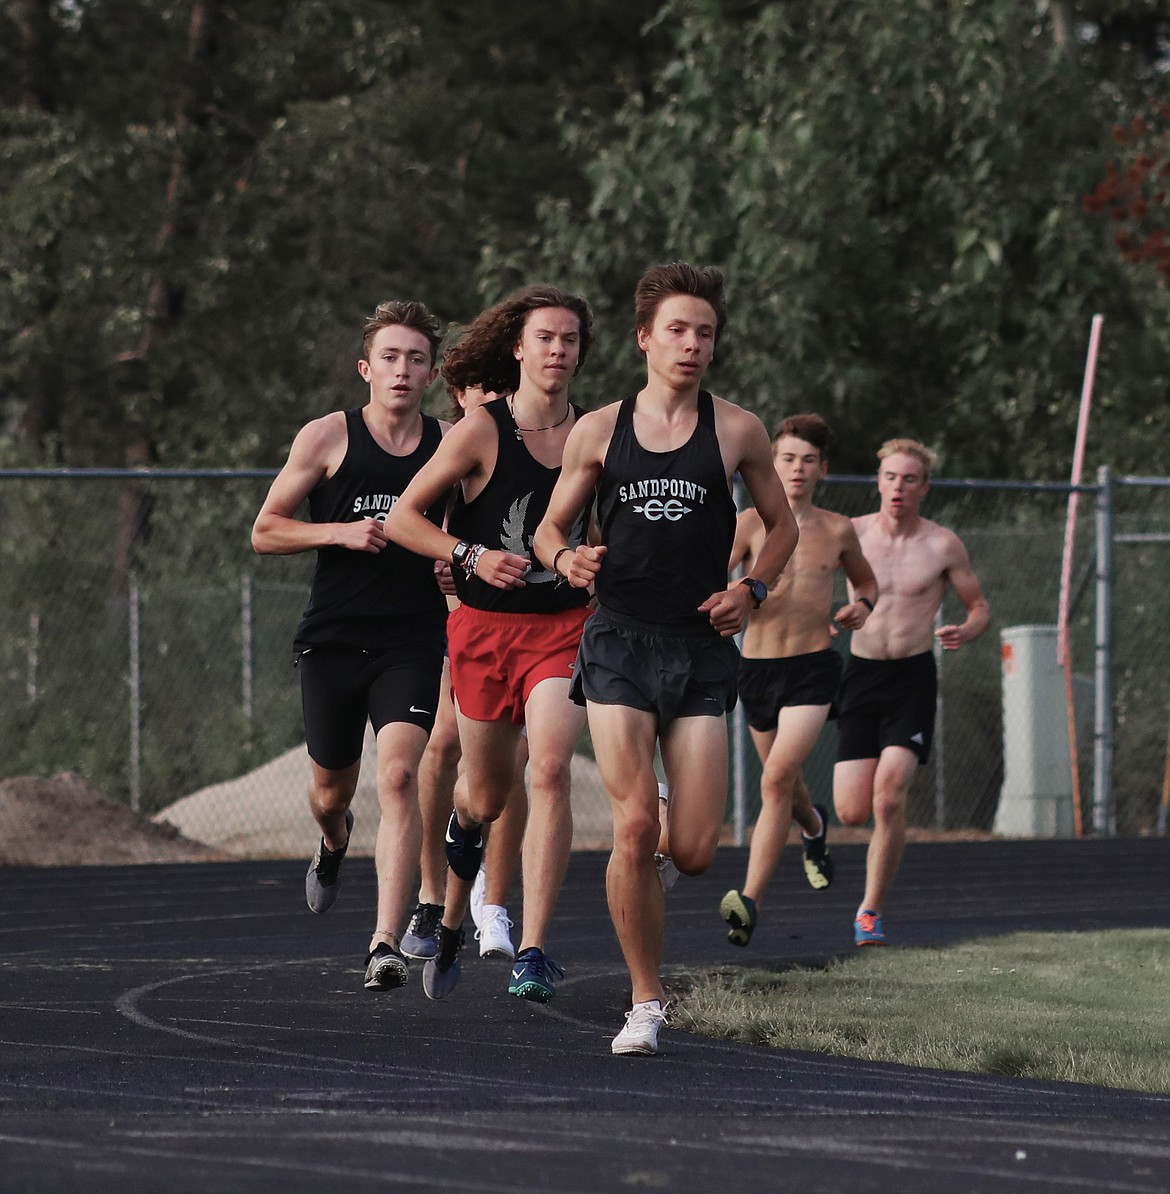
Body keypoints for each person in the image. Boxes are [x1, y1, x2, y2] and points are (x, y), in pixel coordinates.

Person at [534, 261, 799, 1056]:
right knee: (633, 827)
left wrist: (750, 590)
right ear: (645, 338)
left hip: (698, 648)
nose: (691, 345)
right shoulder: (598, 430)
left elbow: (781, 527)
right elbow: (551, 529)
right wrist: (564, 563)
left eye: (705, 333)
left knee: (690, 848)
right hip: (617, 641)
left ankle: (652, 817)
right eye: (677, 330)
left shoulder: (738, 430)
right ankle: (645, 1001)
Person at [384, 285, 594, 1003]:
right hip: (483, 632)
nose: (558, 351)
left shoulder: (599, 432)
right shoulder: (480, 429)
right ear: (518, 347)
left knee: (553, 768)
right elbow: (406, 518)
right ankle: (448, 915)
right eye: (545, 338)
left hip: (563, 628)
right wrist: (470, 556)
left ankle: (532, 949)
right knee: (484, 796)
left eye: (569, 340)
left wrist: (598, 558)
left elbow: (617, 525)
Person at [250, 299, 449, 992]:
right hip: (334, 637)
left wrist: (455, 563)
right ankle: (334, 841)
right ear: (367, 368)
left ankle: (383, 941)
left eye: (415, 359)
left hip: (414, 638)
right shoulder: (328, 437)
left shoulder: (449, 443)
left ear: (431, 373)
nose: (402, 369)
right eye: (390, 357)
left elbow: (463, 533)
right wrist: (338, 532)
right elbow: (265, 529)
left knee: (399, 776)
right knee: (329, 793)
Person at [719, 414, 878, 947]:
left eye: (808, 461)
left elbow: (866, 584)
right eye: (787, 458)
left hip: (813, 667)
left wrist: (862, 607)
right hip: (756, 669)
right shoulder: (746, 523)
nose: (796, 469)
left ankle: (749, 900)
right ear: (771, 463)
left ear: (822, 470)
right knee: (784, 786)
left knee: (774, 779)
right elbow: (719, 577)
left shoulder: (837, 528)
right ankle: (813, 828)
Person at [834, 437, 990, 946]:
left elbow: (979, 607)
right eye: (890, 477)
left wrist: (967, 630)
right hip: (860, 674)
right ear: (877, 482)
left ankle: (870, 911)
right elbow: (806, 579)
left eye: (909, 479)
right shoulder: (851, 535)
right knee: (851, 811)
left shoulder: (943, 544)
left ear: (924, 487)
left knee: (888, 797)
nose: (898, 487)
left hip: (912, 678)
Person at [406, 384, 529, 965]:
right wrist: (450, 561)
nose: (502, 399)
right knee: (444, 743)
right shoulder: (450, 443)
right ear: (461, 393)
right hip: (457, 616)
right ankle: (432, 891)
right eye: (489, 389)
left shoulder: (539, 436)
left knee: (523, 758)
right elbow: (411, 525)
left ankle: (494, 904)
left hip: (527, 618)